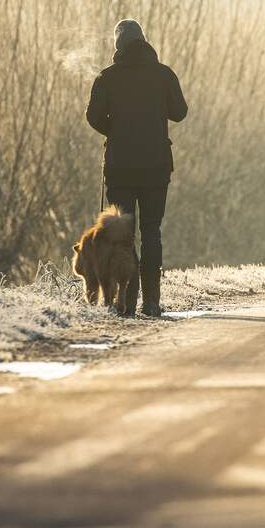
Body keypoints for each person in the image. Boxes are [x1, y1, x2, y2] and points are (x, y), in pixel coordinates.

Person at [86, 19, 188, 316]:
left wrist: (115, 131)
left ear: (117, 46)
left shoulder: (107, 78)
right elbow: (180, 112)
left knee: (122, 234)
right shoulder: (164, 75)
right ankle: (152, 301)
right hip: (156, 166)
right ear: (144, 41)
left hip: (120, 167)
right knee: (152, 230)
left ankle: (126, 304)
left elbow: (93, 117)